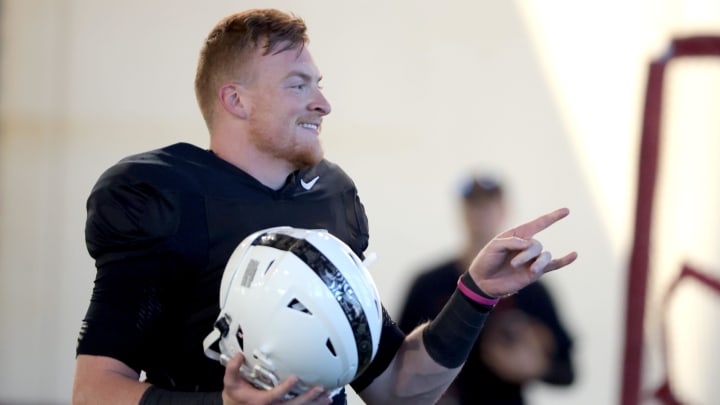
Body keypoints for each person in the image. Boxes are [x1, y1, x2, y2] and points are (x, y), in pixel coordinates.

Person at [72, 9, 578, 405]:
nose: (323, 103)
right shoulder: (161, 196)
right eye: (298, 84)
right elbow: (95, 390)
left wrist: (476, 292)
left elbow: (399, 387)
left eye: (319, 83)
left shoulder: (330, 201)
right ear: (236, 100)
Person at [398, 175, 575, 405]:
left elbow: (567, 370)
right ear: (462, 212)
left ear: (503, 209)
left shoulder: (530, 287)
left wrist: (534, 367)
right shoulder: (428, 284)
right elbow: (396, 361)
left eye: (488, 204)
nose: (481, 213)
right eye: (474, 204)